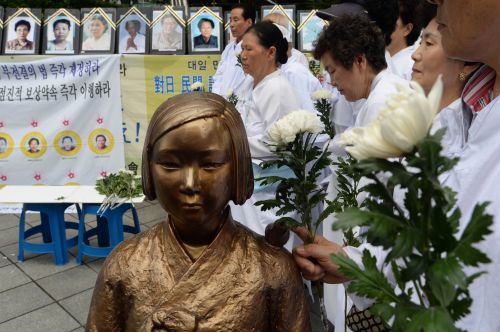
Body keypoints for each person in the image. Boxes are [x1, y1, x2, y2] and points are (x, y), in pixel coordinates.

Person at [294, 0, 500, 329]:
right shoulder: (458, 119)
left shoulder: (395, 105)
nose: (417, 54)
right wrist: (352, 264)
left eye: (430, 42)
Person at [86, 92, 311, 331]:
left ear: (238, 168)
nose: (190, 183)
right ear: (149, 168)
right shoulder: (124, 265)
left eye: (210, 164)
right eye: (170, 164)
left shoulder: (273, 269)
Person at [230, 21, 302, 238]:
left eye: (249, 49)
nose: (243, 55)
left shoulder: (277, 88)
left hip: (269, 190)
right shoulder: (248, 83)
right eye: (242, 48)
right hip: (247, 183)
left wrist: (232, 142)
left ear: (271, 52)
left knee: (264, 247)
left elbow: (279, 142)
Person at [212, 4, 254, 96]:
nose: (231, 25)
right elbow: (219, 76)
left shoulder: (255, 49)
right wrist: (217, 97)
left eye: (236, 20)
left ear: (249, 22)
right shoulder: (228, 48)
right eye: (230, 20)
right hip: (222, 104)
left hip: (241, 105)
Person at [387, 0, 424, 80]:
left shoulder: (411, 65)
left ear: (407, 29)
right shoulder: (383, 56)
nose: (385, 26)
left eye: (391, 22)